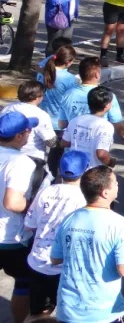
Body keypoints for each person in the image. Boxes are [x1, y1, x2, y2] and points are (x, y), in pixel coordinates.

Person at [50, 166, 124, 323]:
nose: (118, 185)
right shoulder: (122, 225)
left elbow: (55, 259)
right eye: (115, 182)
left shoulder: (69, 219)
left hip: (68, 311)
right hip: (104, 313)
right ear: (105, 193)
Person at [23, 151, 88, 316]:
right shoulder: (85, 199)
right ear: (86, 170)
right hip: (65, 266)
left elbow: (29, 225)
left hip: (38, 261)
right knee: (69, 312)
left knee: (37, 312)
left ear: (59, 170)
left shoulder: (45, 191)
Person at [0, 112, 42, 323]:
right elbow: (13, 202)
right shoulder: (21, 162)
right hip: (10, 237)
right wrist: (35, 209)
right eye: (28, 130)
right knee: (23, 281)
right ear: (18, 136)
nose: (30, 133)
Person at [0, 81, 57, 186]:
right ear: (38, 97)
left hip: (5, 155)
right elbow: (51, 142)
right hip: (33, 160)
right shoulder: (41, 115)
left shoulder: (8, 108)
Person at [62, 86, 116, 169]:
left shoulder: (75, 120)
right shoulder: (106, 126)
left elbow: (64, 142)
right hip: (93, 171)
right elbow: (101, 154)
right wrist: (111, 162)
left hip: (73, 169)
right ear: (107, 105)